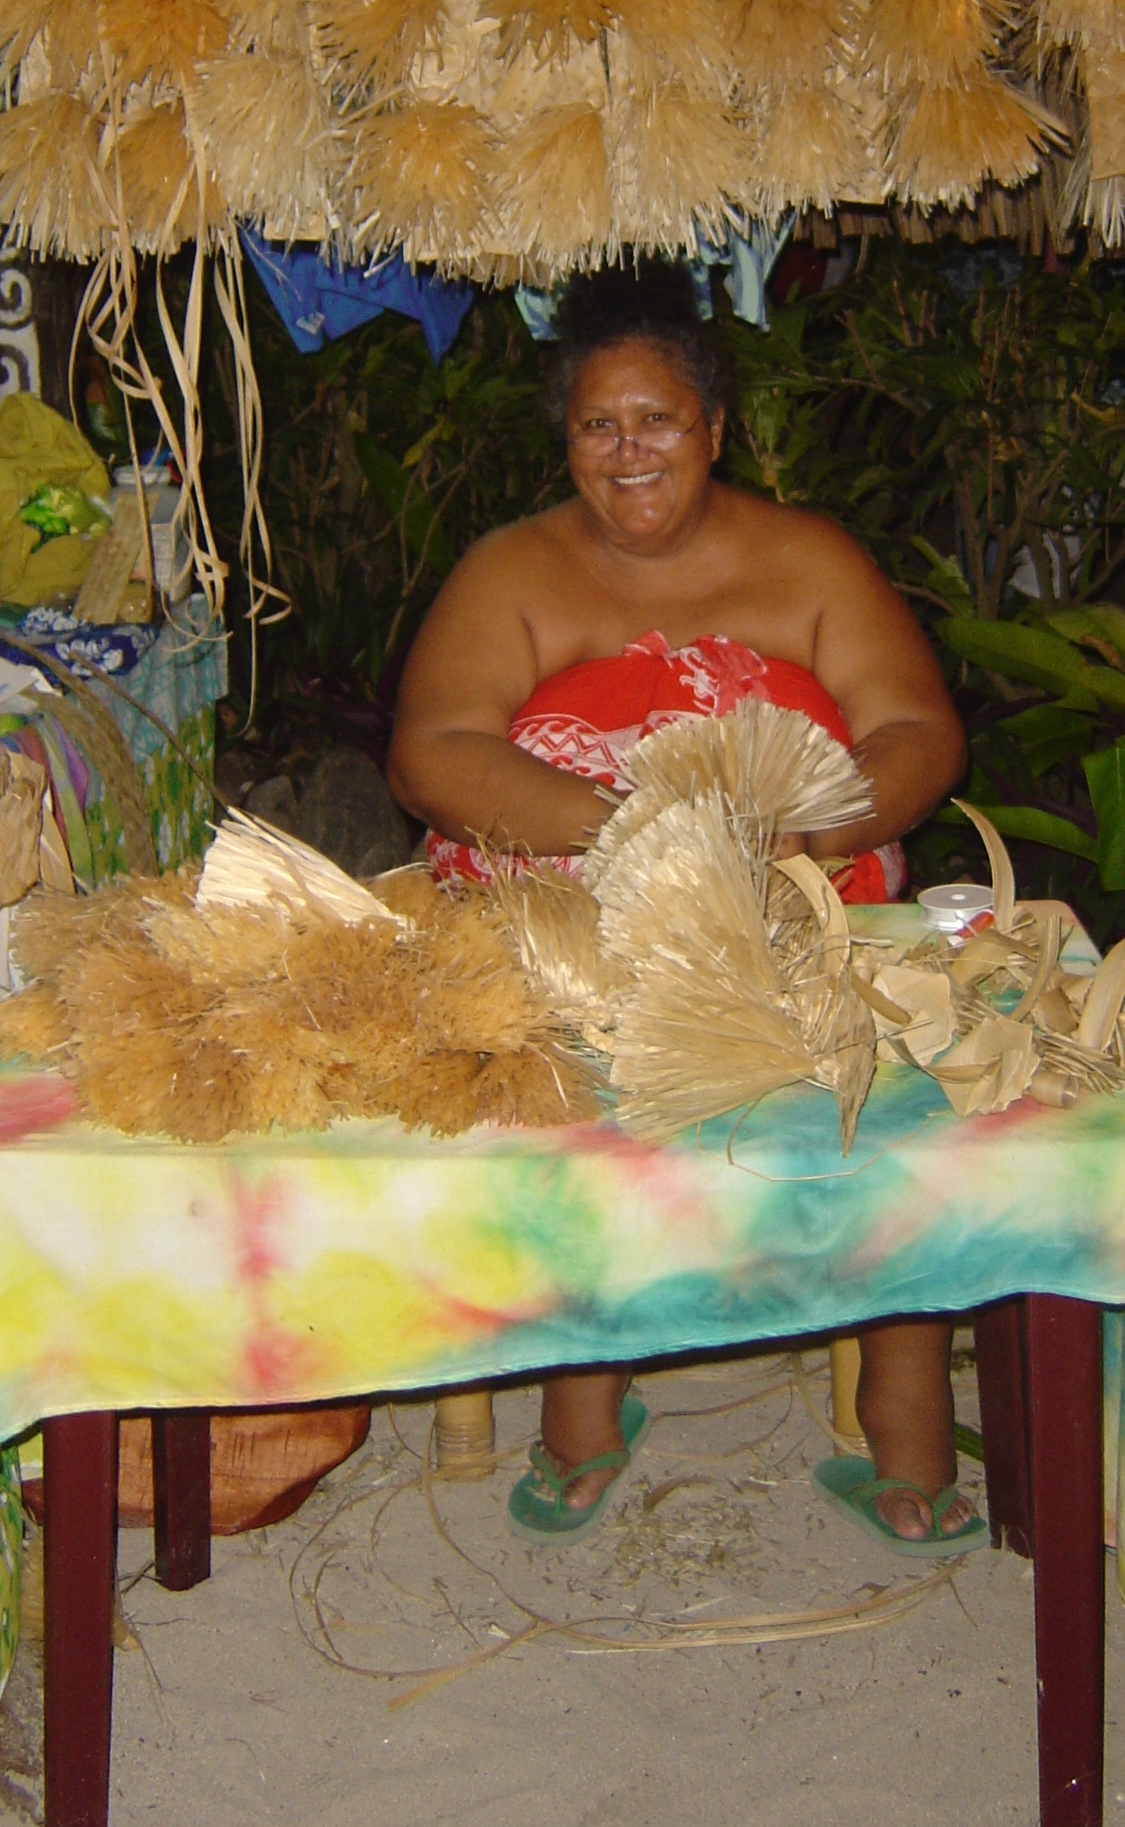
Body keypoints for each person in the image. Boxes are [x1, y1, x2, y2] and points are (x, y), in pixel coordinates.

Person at [387, 264, 974, 1550]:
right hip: (573, 923)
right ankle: (585, 1401)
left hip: (796, 906)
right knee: (575, 1091)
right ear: (569, 442)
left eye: (657, 420)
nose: (628, 449)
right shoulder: (514, 570)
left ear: (715, 430)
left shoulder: (808, 559)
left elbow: (919, 732)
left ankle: (909, 1414)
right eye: (599, 425)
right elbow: (434, 750)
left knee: (893, 1093)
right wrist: (642, 837)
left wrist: (797, 830)